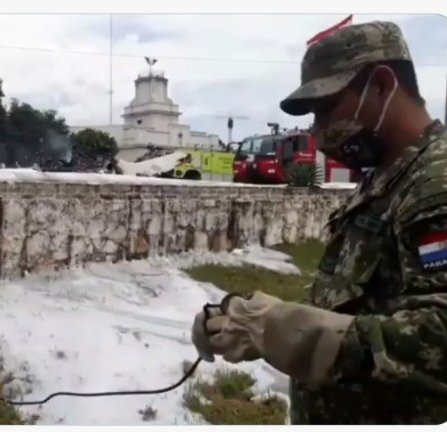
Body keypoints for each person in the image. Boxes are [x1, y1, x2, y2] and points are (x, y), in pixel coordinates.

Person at [191, 21, 447, 424]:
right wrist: (254, 320)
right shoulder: (385, 179)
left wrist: (282, 331)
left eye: (327, 108)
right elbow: (359, 305)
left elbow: (438, 338)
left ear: (382, 85)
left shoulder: (435, 183)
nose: (319, 131)